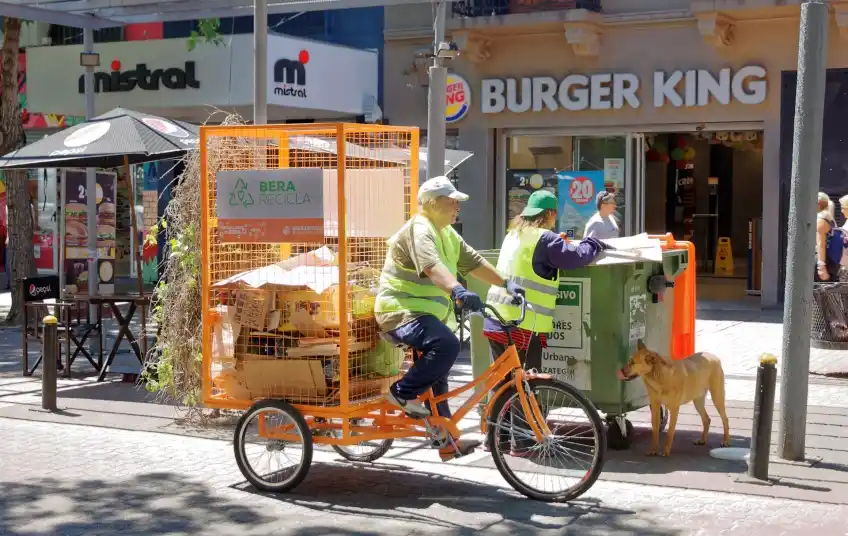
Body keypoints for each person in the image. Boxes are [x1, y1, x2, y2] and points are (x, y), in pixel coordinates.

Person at [375, 176, 524, 461]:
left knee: (438, 374)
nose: (457, 207)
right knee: (446, 346)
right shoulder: (420, 230)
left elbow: (474, 262)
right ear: (432, 203)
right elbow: (431, 268)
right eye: (451, 201)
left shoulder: (446, 233)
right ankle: (402, 392)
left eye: (458, 202)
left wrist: (505, 284)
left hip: (424, 313)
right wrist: (457, 290)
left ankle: (447, 441)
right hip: (399, 311)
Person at [484, 190, 609, 455]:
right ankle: (526, 442)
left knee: (502, 383)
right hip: (524, 324)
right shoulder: (547, 239)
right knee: (526, 385)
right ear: (550, 214)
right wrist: (593, 243)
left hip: (496, 319)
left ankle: (496, 440)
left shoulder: (513, 235)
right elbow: (576, 257)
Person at [815, 192, 840, 282]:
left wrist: (821, 267)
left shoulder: (820, 221)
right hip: (831, 262)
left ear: (818, 204)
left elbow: (820, 244)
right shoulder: (830, 219)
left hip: (823, 262)